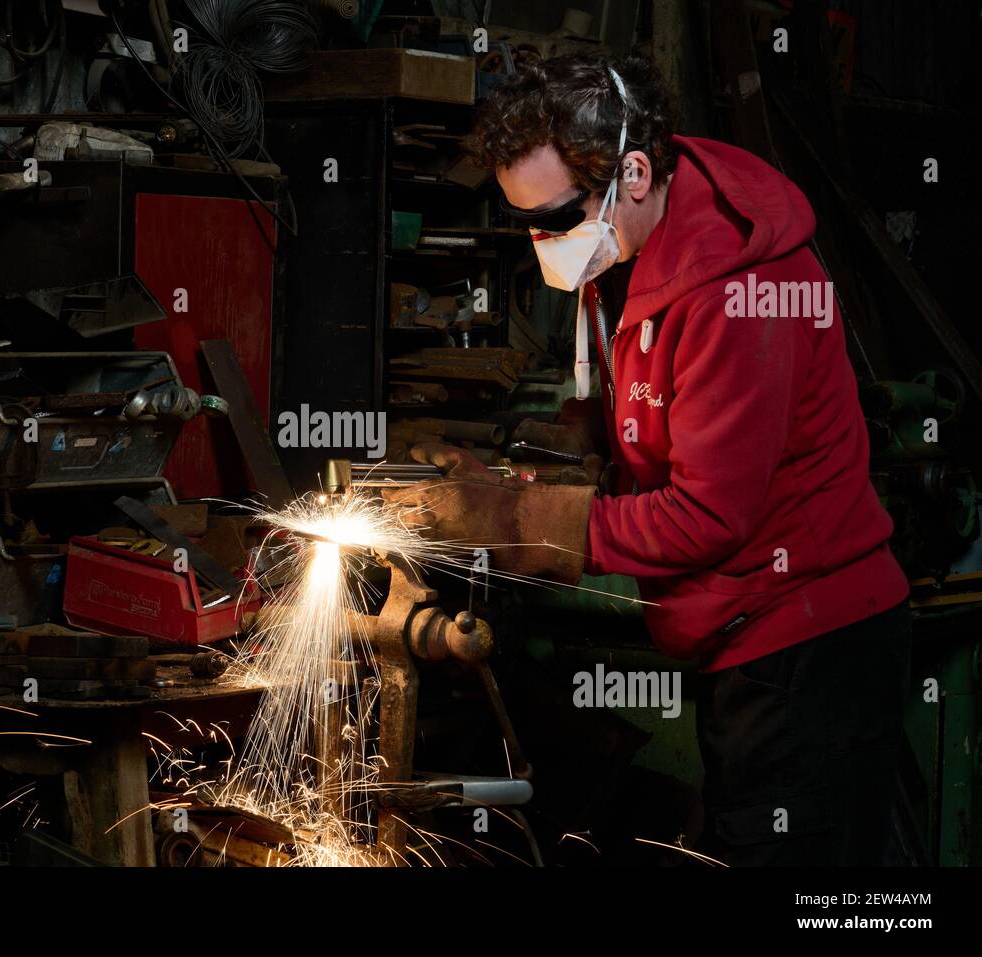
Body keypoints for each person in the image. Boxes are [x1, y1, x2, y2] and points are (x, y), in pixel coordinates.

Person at [383, 54, 912, 866]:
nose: (544, 243)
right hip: (743, 639)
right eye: (526, 221)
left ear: (632, 170)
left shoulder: (742, 289)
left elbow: (707, 515)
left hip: (809, 648)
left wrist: (524, 521)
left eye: (557, 217)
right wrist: (568, 443)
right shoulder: (637, 239)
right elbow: (655, 402)